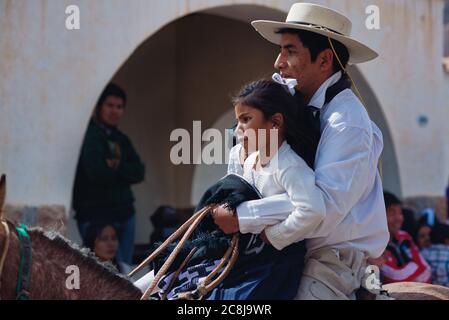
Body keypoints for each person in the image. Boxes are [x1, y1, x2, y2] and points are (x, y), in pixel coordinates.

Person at [213, 3, 389, 299]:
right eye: (281, 50)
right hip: (266, 251)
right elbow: (240, 164)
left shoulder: (347, 122)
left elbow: (321, 209)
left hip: (327, 260)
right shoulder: (286, 104)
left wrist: (243, 216)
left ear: (324, 60)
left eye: (290, 51)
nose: (278, 63)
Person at [72, 83, 145, 265]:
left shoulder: (122, 140)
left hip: (125, 214)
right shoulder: (89, 137)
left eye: (119, 107)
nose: (115, 111)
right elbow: (96, 173)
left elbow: (139, 171)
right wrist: (121, 171)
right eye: (110, 106)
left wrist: (115, 167)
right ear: (99, 107)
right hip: (95, 214)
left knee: (125, 271)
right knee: (98, 271)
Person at [378, 192, 432, 284]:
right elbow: (394, 278)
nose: (398, 218)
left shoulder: (404, 237)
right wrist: (414, 266)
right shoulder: (375, 246)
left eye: (400, 213)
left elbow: (426, 269)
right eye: (392, 213)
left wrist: (405, 273)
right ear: (378, 215)